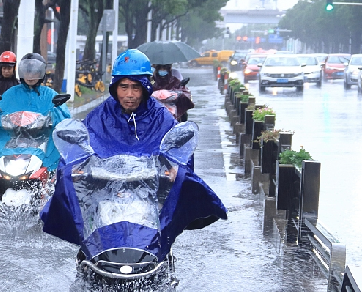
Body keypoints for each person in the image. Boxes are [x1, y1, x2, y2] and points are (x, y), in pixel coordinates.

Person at [40, 49, 227, 258]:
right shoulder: (100, 115)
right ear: (115, 87)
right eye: (124, 87)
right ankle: (87, 250)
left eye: (136, 88)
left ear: (145, 87)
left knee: (184, 182)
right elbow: (81, 144)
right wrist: (76, 167)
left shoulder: (160, 116)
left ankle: (163, 249)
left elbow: (178, 151)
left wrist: (175, 170)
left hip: (148, 193)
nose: (129, 94)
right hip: (105, 191)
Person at [0, 53, 71, 171]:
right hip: (14, 139)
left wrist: (54, 116)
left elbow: (64, 115)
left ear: (41, 73)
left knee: (55, 165)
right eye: (27, 72)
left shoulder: (49, 94)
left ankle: (51, 179)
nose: (30, 76)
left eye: (34, 72)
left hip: (42, 140)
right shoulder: (11, 93)